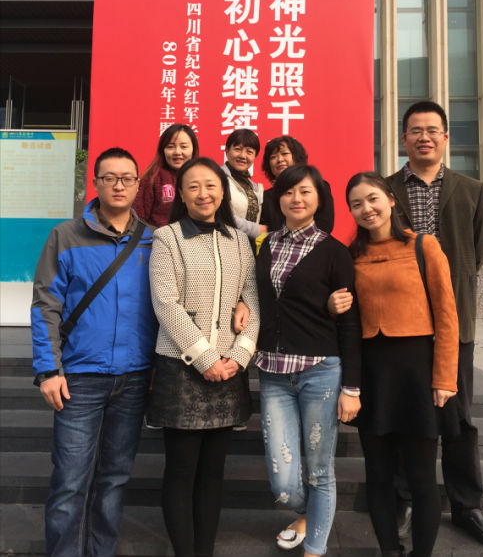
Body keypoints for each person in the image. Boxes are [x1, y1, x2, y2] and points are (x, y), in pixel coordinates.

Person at [386, 101, 483, 548]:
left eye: (432, 130)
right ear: (404, 138)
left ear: (445, 137)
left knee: (458, 417)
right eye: (415, 130)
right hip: (400, 322)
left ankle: (466, 505)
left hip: (454, 321)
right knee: (404, 413)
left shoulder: (472, 189)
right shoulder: (385, 188)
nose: (424, 137)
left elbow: (476, 254)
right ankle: (402, 498)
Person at [31, 147, 157, 557]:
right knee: (70, 481)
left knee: (114, 479)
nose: (119, 185)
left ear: (137, 185)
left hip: (134, 378)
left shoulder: (154, 240)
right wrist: (49, 369)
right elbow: (46, 306)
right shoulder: (65, 236)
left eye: (127, 178)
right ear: (96, 183)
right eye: (110, 178)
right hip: (79, 379)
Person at [331, 171, 459, 557]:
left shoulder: (424, 246)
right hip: (372, 374)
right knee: (378, 474)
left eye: (372, 199)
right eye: (356, 204)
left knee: (421, 478)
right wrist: (331, 306)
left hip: (417, 373)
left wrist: (444, 378)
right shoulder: (350, 255)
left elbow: (447, 316)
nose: (366, 209)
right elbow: (345, 320)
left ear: (390, 199)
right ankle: (390, 550)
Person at [146, 157, 260, 557]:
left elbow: (253, 300)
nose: (203, 194)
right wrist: (205, 357)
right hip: (181, 368)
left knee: (213, 473)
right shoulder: (167, 237)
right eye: (193, 186)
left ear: (222, 191)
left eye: (210, 185)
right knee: (181, 471)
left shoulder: (239, 240)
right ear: (180, 193)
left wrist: (239, 356)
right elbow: (166, 304)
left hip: (229, 369)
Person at [255, 164, 362, 557]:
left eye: (305, 191)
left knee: (320, 470)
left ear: (319, 199)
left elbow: (349, 323)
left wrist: (352, 387)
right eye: (288, 191)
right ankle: (305, 513)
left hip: (321, 372)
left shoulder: (334, 252)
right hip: (273, 374)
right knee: (283, 483)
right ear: (277, 199)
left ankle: (315, 548)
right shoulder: (264, 245)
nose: (296, 199)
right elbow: (260, 297)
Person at [260, 136, 334, 232]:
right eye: (273, 157)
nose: (279, 159)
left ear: (296, 156)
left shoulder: (318, 186)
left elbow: (325, 225)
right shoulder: (265, 197)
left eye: (285, 154)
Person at [133, 123, 199, 226]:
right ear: (163, 150)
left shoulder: (202, 177)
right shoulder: (152, 178)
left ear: (193, 149)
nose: (177, 152)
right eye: (170, 147)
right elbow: (138, 220)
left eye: (184, 147)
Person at [221, 128, 265, 239]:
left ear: (255, 156)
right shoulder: (217, 179)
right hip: (224, 241)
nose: (243, 156)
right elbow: (220, 215)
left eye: (249, 152)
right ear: (227, 150)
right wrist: (258, 230)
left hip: (248, 245)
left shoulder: (254, 187)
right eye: (237, 149)